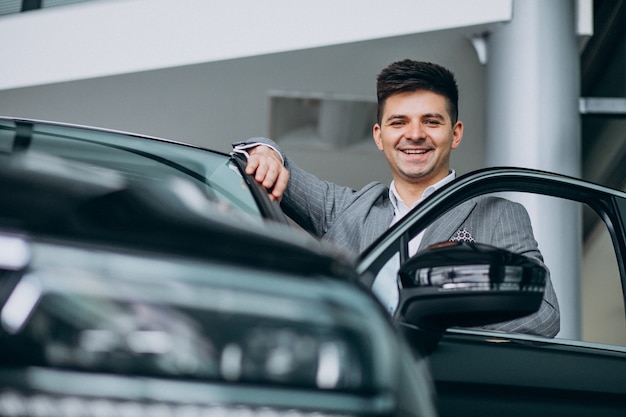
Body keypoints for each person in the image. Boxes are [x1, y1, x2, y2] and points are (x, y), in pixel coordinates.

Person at [233, 59, 559, 338]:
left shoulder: (498, 214)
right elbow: (274, 162)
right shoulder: (346, 209)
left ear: (455, 133)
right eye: (398, 122)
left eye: (431, 121)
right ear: (379, 135)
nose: (414, 134)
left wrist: (448, 341)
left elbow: (543, 312)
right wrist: (265, 151)